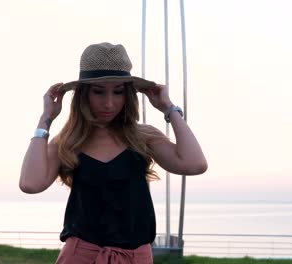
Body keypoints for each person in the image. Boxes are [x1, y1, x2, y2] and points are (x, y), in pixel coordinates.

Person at [19, 42, 207, 263]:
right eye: (99, 92)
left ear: (127, 95)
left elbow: (195, 164)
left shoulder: (143, 136)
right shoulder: (68, 141)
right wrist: (46, 119)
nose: (109, 103)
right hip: (81, 256)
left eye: (118, 92)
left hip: (136, 257)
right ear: (84, 95)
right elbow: (30, 184)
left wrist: (169, 108)